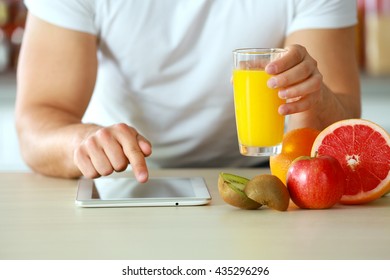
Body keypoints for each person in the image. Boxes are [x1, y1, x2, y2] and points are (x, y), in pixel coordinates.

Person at [15, 0, 361, 182]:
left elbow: (341, 129)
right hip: (120, 177)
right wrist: (83, 144)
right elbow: (37, 121)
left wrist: (315, 97)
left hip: (264, 173)